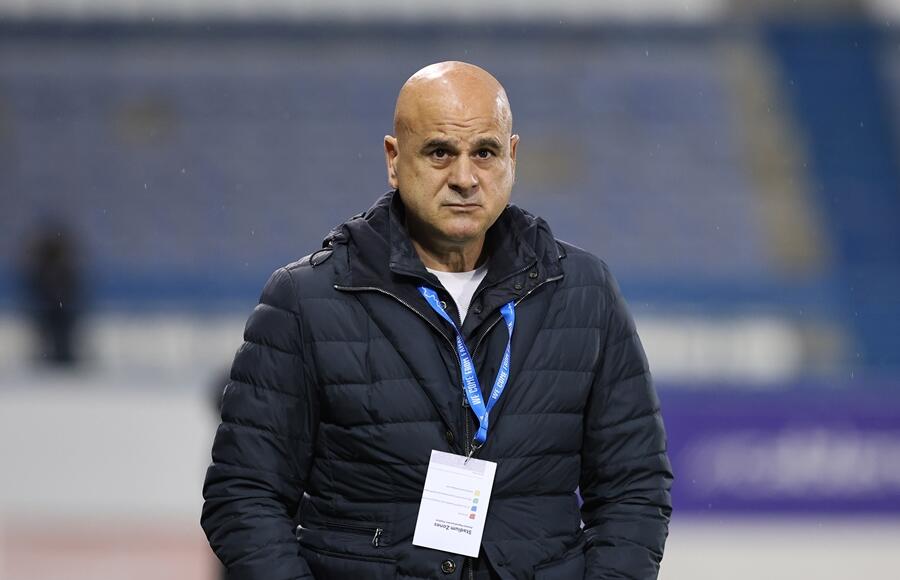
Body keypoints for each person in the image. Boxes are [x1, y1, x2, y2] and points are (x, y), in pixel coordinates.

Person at [202, 61, 672, 579]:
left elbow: (634, 489)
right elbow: (244, 495)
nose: (464, 178)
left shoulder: (582, 291)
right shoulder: (306, 299)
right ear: (394, 159)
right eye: (440, 152)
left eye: (485, 153)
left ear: (512, 158)